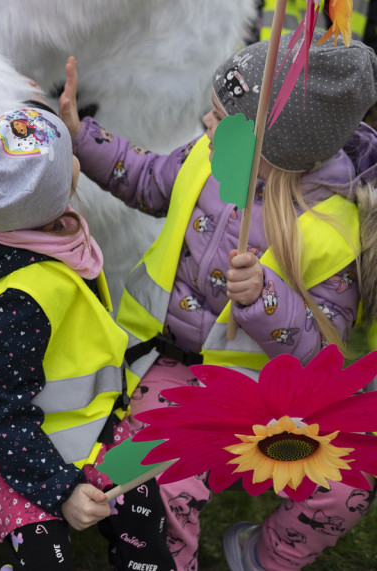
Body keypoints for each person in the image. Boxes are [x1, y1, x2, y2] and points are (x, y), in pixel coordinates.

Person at [61, 29, 377, 570]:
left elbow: (318, 357)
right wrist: (79, 135)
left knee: (345, 482)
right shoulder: (206, 155)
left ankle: (263, 557)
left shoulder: (336, 228)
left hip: (269, 393)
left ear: (270, 142)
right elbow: (145, 177)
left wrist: (264, 298)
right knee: (158, 481)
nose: (206, 124)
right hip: (175, 366)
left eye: (219, 116)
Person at [0, 106, 174, 571]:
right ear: (50, 201)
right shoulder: (19, 305)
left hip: (92, 426)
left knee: (145, 524)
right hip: (17, 451)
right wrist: (62, 491)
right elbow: (2, 412)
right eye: (66, 156)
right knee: (47, 558)